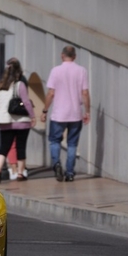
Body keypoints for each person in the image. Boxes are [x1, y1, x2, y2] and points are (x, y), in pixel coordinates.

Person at [40, 45, 91, 182]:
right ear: (74, 56)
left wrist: (44, 110)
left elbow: (51, 93)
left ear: (62, 56)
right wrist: (87, 111)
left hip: (58, 114)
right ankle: (69, 172)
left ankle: (56, 163)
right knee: (72, 144)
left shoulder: (55, 71)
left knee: (55, 141)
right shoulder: (82, 71)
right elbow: (85, 93)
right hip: (75, 113)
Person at [0, 58, 36, 183]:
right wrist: (32, 116)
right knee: (21, 147)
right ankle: (20, 173)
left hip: (4, 121)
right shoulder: (19, 85)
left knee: (4, 148)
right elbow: (26, 102)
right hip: (21, 121)